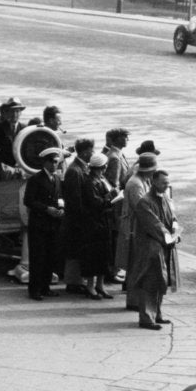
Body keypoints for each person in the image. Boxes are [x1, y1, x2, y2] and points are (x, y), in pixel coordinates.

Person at [129, 168, 181, 330]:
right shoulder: (145, 202)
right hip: (150, 248)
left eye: (168, 182)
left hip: (163, 246)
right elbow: (154, 224)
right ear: (154, 182)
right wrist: (169, 236)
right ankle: (146, 318)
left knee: (161, 280)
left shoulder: (164, 198)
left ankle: (157, 314)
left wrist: (175, 229)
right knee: (150, 281)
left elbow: (172, 217)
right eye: (164, 183)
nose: (167, 185)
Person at [24, 147, 65, 300]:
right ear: (45, 163)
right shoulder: (36, 179)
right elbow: (28, 200)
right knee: (38, 258)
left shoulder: (56, 179)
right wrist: (46, 209)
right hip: (39, 224)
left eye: (57, 162)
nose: (55, 165)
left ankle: (45, 287)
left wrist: (61, 208)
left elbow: (59, 197)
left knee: (50, 256)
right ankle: (34, 289)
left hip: (53, 224)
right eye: (53, 162)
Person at [118, 153, 157, 311]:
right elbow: (141, 208)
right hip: (134, 229)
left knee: (137, 265)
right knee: (135, 265)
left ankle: (135, 299)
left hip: (136, 227)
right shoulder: (136, 184)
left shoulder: (141, 181)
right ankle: (133, 300)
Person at [82, 153, 119, 300]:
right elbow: (95, 203)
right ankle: (90, 286)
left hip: (103, 222)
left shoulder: (100, 180)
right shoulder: (90, 183)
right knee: (94, 256)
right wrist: (111, 197)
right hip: (94, 224)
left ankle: (100, 285)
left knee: (104, 255)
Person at [61, 138, 95, 295]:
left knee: (77, 250)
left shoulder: (80, 168)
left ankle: (76, 281)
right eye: (91, 150)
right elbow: (75, 199)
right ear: (85, 152)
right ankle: (73, 282)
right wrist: (83, 216)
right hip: (75, 219)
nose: (93, 153)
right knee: (74, 250)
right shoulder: (75, 171)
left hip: (77, 217)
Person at [103, 128, 133, 282]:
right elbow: (113, 184)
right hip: (117, 205)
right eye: (125, 137)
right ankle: (112, 271)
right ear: (117, 139)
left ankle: (114, 269)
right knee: (115, 237)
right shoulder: (115, 157)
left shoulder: (117, 154)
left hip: (118, 204)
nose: (128, 139)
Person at [0, 97, 27, 179]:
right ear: (7, 112)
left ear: (20, 113)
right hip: (2, 171)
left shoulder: (25, 129)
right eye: (12, 111)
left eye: (17, 111)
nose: (14, 114)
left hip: (20, 169)